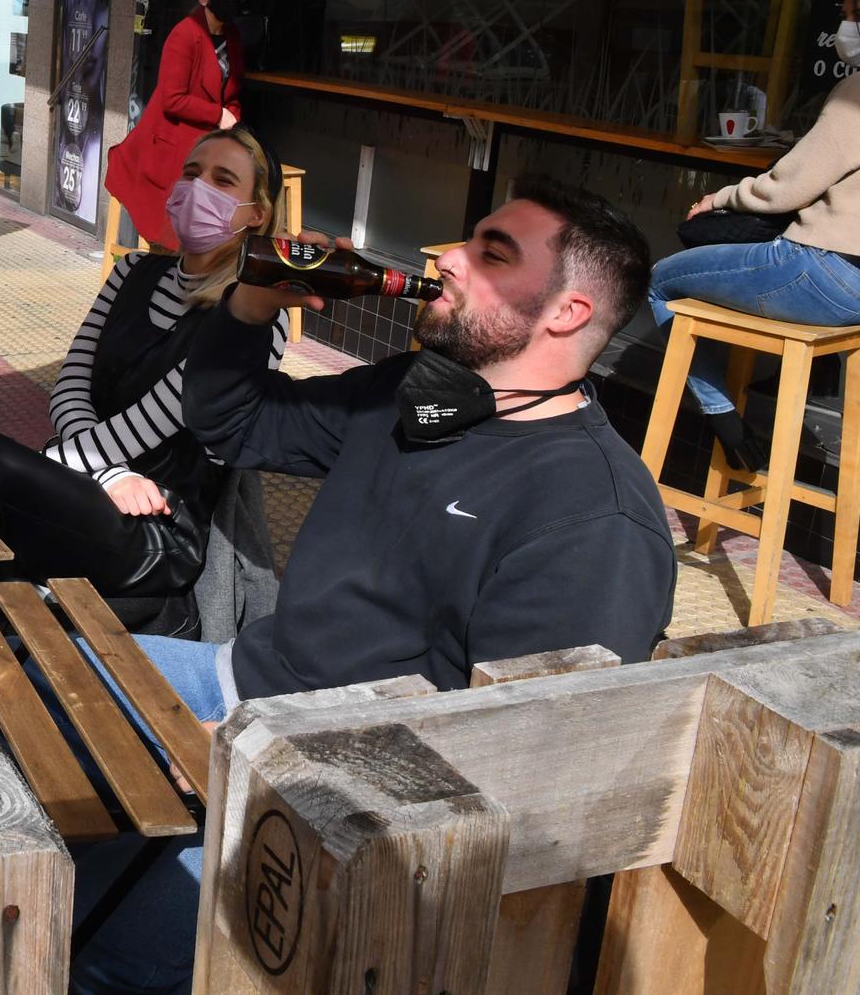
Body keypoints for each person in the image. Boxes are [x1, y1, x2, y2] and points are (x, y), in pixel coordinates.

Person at [68, 176, 676, 994]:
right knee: (28, 687)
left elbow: (522, 767)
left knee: (95, 938)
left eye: (490, 253)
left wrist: (262, 763)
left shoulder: (591, 519)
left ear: (566, 313)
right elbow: (235, 425)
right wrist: (250, 307)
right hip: (232, 681)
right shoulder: (417, 393)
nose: (448, 257)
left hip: (328, 799)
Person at [0, 128, 285, 639]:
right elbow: (69, 387)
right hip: (97, 486)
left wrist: (65, 460)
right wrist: (108, 476)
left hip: (162, 527)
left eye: (223, 180)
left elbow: (154, 422)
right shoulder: (131, 271)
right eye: (191, 174)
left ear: (255, 213)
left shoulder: (255, 316)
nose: (198, 189)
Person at [650, 73, 860, 471]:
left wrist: (721, 198)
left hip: (821, 270)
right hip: (852, 295)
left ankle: (725, 422)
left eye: (850, 12)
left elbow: (788, 186)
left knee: (662, 281)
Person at [105, 0, 248, 248]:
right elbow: (173, 98)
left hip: (208, 147)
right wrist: (217, 114)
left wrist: (232, 116)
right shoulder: (185, 34)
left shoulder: (231, 38)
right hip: (172, 147)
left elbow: (231, 91)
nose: (232, 0)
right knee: (168, 237)